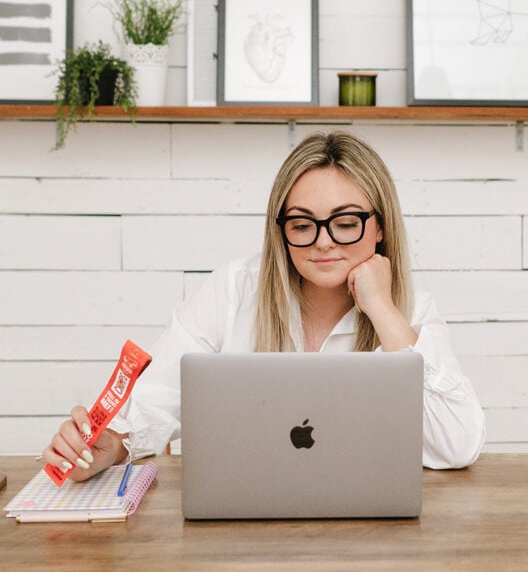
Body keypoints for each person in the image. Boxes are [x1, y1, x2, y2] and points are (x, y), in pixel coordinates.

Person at [42, 130, 485, 480]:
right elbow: (153, 401)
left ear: (380, 227)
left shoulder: (408, 313)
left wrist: (382, 310)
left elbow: (457, 445)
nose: (323, 242)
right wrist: (112, 446)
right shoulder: (233, 290)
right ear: (281, 230)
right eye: (302, 224)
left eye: (346, 223)